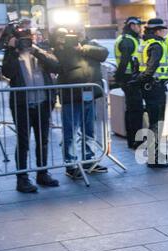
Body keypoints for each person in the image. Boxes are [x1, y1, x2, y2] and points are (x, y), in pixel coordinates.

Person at [2, 23, 60, 193]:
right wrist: (12, 49)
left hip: (43, 103)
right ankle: (22, 179)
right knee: (23, 142)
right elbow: (7, 72)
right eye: (24, 37)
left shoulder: (40, 50)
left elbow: (56, 65)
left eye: (29, 36)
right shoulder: (12, 53)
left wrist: (36, 50)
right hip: (22, 105)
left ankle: (42, 173)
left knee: (43, 140)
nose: (26, 40)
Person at [53, 28, 109, 179]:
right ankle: (70, 165)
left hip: (89, 94)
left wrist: (83, 48)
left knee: (89, 131)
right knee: (70, 132)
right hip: (71, 97)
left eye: (80, 30)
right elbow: (55, 64)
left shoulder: (90, 46)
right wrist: (61, 44)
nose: (77, 34)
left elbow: (104, 53)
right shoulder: (60, 49)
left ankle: (89, 160)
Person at [138, 18, 168, 168]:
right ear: (157, 31)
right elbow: (152, 67)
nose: (165, 32)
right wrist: (145, 78)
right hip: (154, 87)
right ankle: (154, 157)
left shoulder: (146, 43)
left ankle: (154, 153)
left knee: (153, 121)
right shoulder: (157, 45)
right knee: (157, 122)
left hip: (149, 87)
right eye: (163, 29)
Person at [114, 17, 144, 150]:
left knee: (131, 110)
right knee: (135, 110)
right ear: (132, 26)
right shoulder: (128, 40)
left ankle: (132, 139)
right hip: (130, 79)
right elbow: (125, 61)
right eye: (139, 25)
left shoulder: (128, 38)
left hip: (129, 78)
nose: (140, 28)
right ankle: (135, 140)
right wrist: (120, 78)